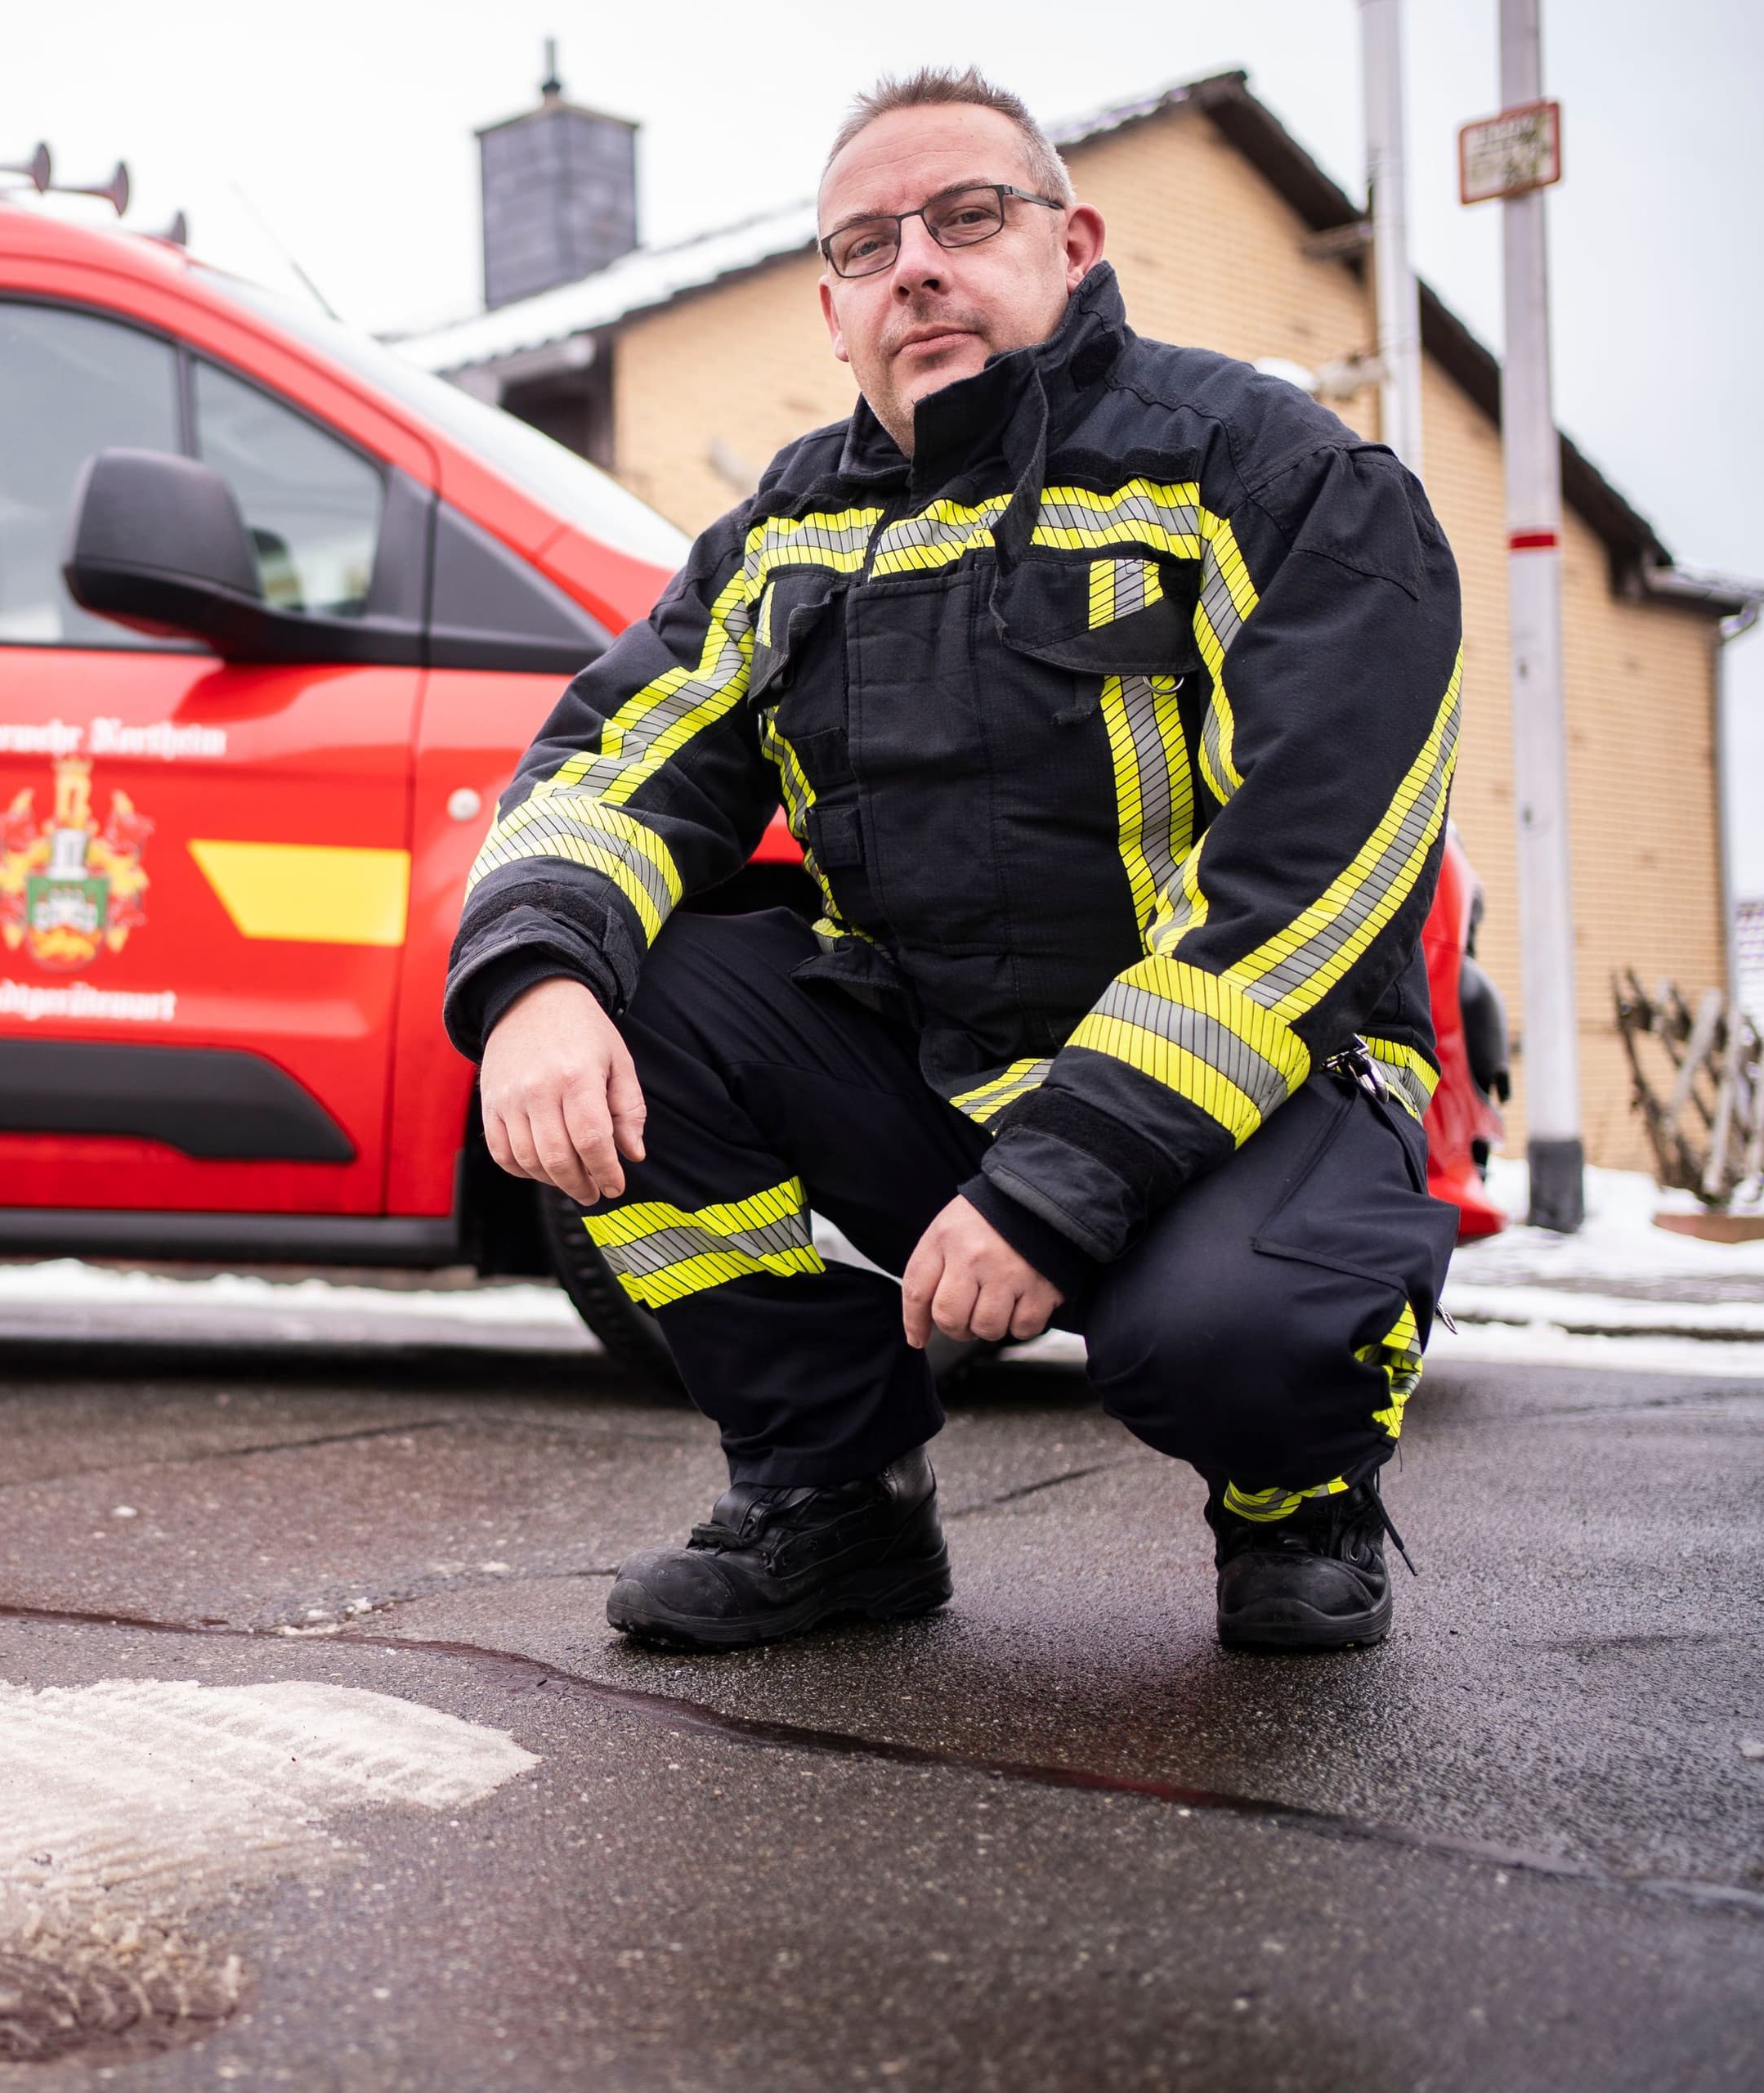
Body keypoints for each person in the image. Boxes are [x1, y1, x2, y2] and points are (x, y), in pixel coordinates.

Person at [451, 68, 1462, 1655]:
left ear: (1074, 241)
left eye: (968, 216)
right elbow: (608, 767)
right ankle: (833, 1498)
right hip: (953, 1081)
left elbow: (1307, 879)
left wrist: (1062, 1179)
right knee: (631, 995)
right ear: (834, 307)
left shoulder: (1267, 472)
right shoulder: (782, 538)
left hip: (1262, 1091)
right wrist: (532, 984)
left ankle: (1296, 1495)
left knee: (1228, 1341)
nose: (916, 261)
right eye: (866, 243)